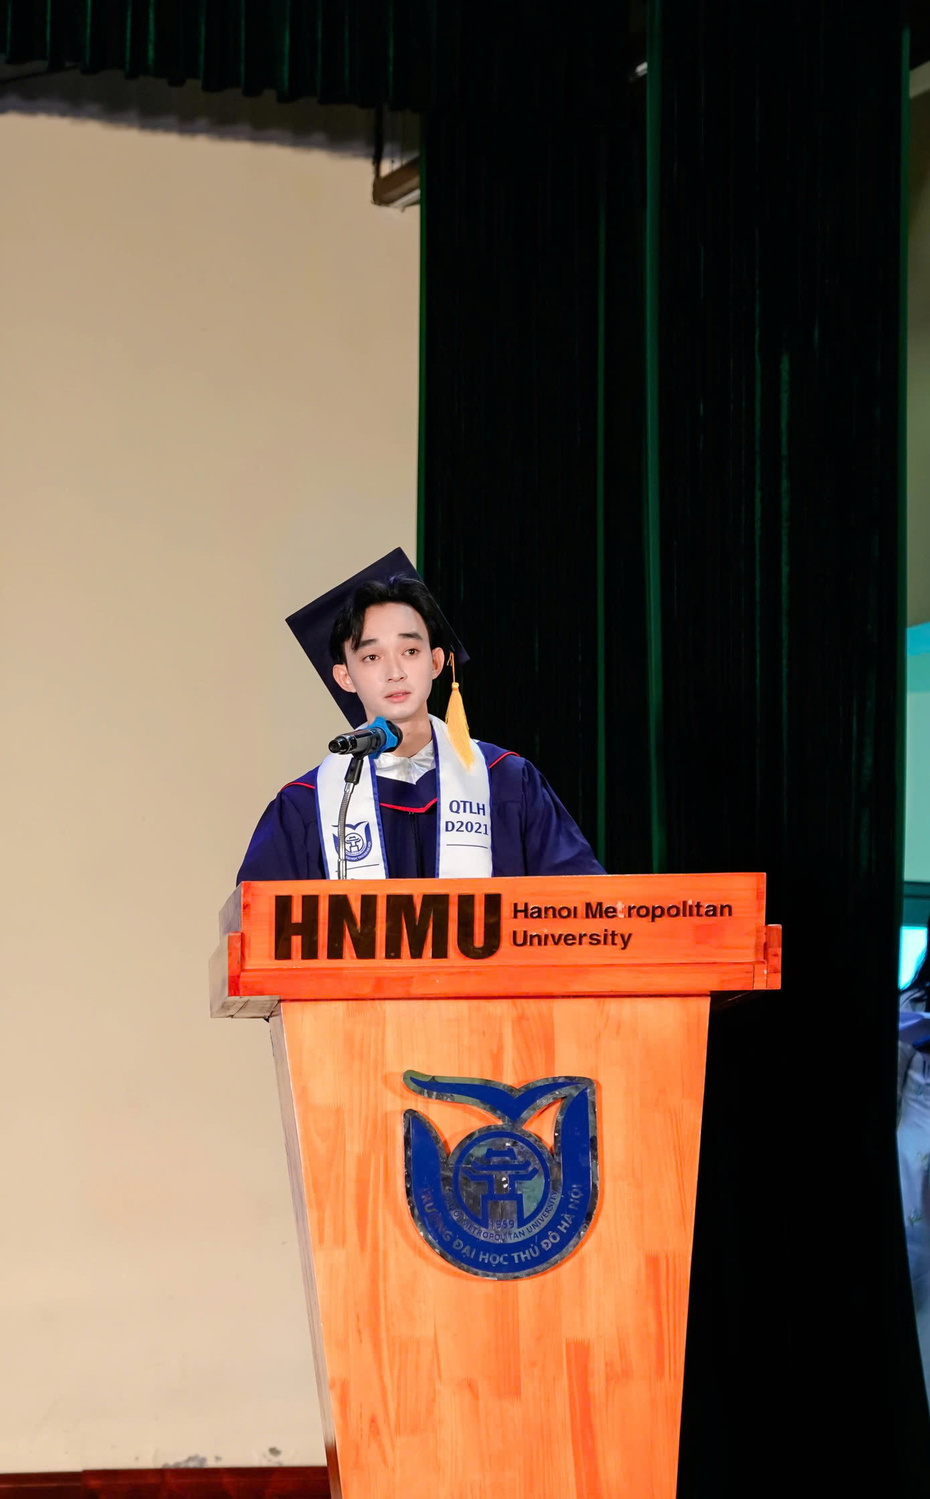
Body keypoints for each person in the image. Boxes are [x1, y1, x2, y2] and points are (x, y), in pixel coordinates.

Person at [237, 549, 604, 882]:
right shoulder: (307, 804)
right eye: (371, 657)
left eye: (410, 651)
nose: (395, 672)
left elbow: (581, 906)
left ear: (436, 662)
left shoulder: (507, 781)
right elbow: (257, 920)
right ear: (345, 677)